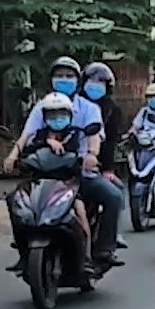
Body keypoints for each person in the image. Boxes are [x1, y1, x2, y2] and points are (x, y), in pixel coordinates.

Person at [4, 56, 123, 269]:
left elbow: (95, 135)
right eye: (59, 76)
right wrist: (13, 156)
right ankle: (24, 249)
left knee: (113, 196)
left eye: (69, 76)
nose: (64, 79)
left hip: (78, 174)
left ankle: (104, 249)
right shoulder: (42, 106)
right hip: (45, 173)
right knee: (16, 199)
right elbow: (27, 135)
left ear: (77, 80)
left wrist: (92, 155)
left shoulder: (88, 108)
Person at [17, 92, 94, 264]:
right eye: (52, 114)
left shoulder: (76, 134)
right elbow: (28, 153)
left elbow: (82, 154)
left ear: (69, 115)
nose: (57, 118)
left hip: (68, 185)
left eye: (61, 114)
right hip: (40, 185)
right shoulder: (39, 135)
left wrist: (88, 159)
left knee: (80, 212)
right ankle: (23, 251)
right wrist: (46, 142)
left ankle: (86, 257)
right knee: (18, 205)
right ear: (45, 116)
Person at [81, 62, 128, 250]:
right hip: (65, 163)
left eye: (100, 81)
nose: (95, 84)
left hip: (95, 165)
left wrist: (107, 169)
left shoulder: (111, 110)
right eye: (91, 80)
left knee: (115, 192)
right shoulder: (73, 104)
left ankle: (108, 241)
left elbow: (109, 142)